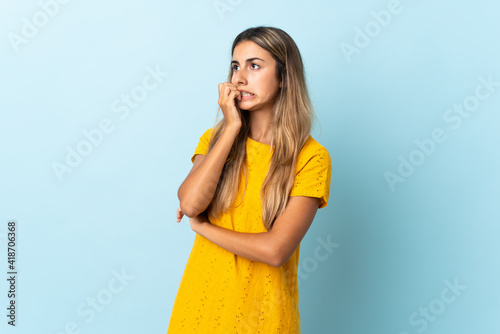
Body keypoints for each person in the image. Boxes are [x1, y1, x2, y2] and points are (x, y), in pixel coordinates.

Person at [167, 26, 332, 333]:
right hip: (198, 312)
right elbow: (190, 203)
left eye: (254, 65)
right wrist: (230, 129)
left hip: (263, 321)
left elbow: (275, 250)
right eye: (235, 66)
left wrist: (204, 228)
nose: (239, 78)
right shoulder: (215, 139)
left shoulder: (310, 157)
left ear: (284, 77)